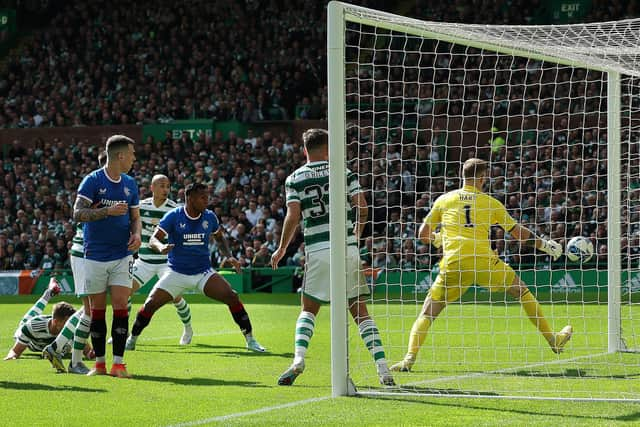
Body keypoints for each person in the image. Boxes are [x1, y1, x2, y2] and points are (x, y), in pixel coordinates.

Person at [390, 158, 572, 372]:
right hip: (484, 261)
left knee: (427, 313)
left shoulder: (444, 199)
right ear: (482, 178)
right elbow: (517, 233)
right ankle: (553, 340)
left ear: (463, 176)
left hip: (454, 263)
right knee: (521, 291)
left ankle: (408, 359)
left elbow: (422, 235)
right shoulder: (490, 202)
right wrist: (544, 244)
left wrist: (439, 239)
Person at [270, 128, 395, 386]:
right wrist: (356, 236)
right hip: (346, 248)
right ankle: (383, 368)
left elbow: (292, 216)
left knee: (308, 309)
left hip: (318, 250)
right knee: (360, 312)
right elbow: (362, 206)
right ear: (328, 148)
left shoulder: (294, 178)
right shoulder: (344, 172)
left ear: (305, 150)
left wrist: (282, 248)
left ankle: (298, 360)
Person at [127, 182, 266, 354]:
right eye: (202, 197)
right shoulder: (173, 216)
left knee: (232, 296)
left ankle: (251, 340)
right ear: (190, 198)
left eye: (207, 197)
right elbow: (154, 238)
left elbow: (220, 239)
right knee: (149, 305)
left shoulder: (209, 217)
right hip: (176, 273)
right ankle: (132, 339)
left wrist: (229, 256)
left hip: (203, 273)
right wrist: (160, 247)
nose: (207, 201)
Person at [73, 135, 142, 378]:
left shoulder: (131, 184)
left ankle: (119, 364)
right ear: (120, 155)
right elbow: (77, 213)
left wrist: (137, 235)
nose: (135, 158)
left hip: (122, 254)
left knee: (122, 305)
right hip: (94, 254)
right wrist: (107, 211)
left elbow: (135, 217)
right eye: (132, 153)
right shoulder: (93, 180)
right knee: (98, 309)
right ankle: (100, 364)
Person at [43, 151, 108, 375]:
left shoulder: (100, 185)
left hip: (92, 253)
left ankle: (58, 348)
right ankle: (73, 360)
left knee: (90, 309)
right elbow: (80, 214)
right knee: (91, 311)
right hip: (86, 253)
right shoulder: (99, 186)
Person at [126, 174, 193, 347]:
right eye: (162, 186)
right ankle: (123, 331)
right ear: (152, 188)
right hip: (144, 261)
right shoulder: (141, 206)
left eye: (168, 186)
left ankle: (188, 328)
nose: (166, 189)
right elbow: (132, 226)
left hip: (167, 263)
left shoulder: (174, 209)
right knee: (124, 292)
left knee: (175, 298)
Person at [5, 278, 91, 362]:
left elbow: (89, 352)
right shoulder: (32, 326)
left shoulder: (72, 328)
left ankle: (50, 292)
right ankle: (48, 293)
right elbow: (15, 351)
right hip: (31, 339)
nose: (71, 324)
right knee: (29, 317)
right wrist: (12, 356)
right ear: (56, 321)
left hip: (48, 324)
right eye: (68, 321)